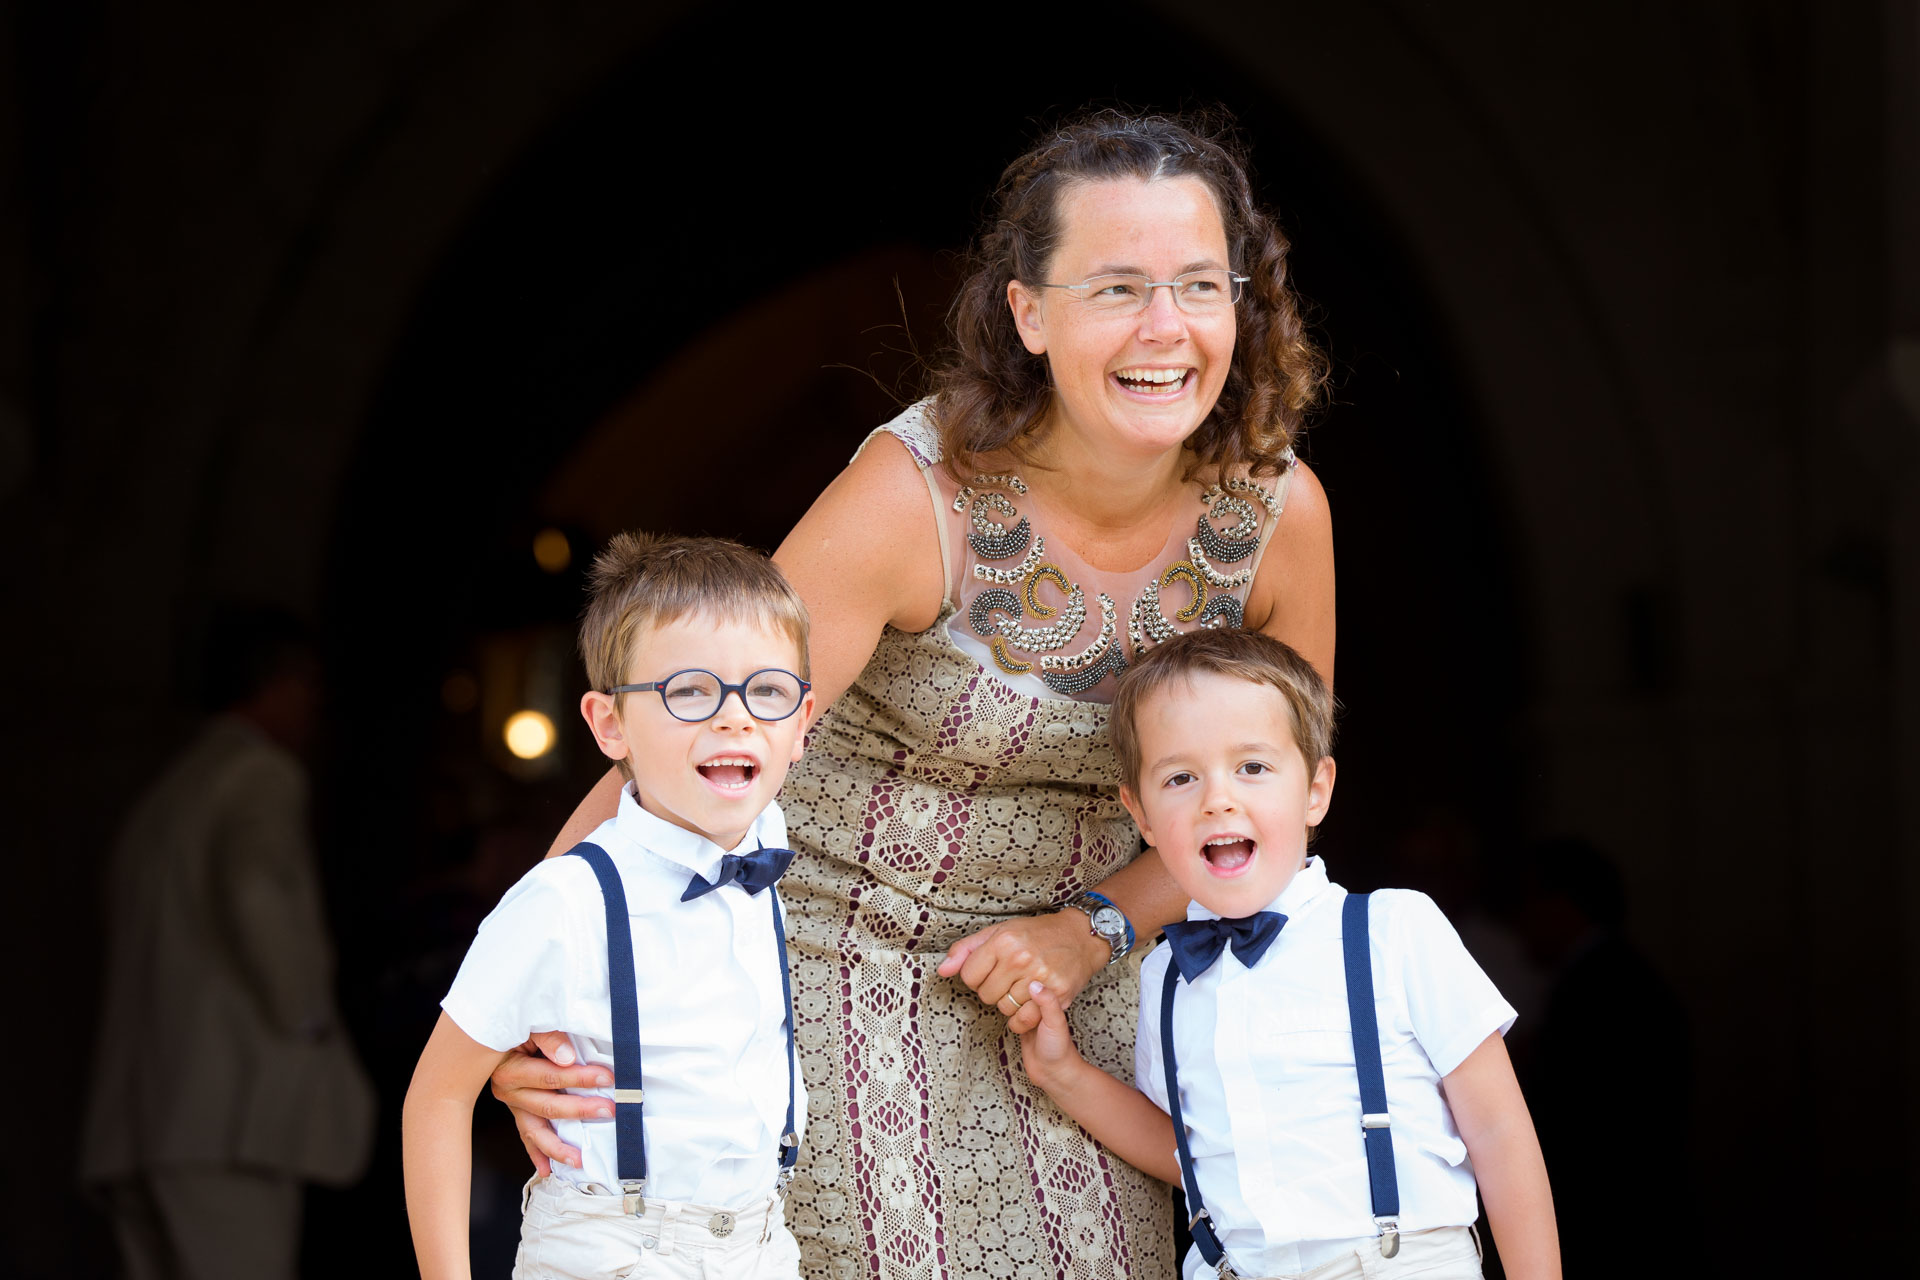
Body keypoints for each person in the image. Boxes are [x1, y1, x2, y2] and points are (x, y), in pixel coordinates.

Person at [493, 110, 1338, 1279]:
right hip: (838, 970)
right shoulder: (915, 497)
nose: (1165, 328)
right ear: (1027, 313)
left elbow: (1269, 816)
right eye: (1117, 288)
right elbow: (677, 756)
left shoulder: (1279, 517)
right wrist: (512, 1005)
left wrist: (1092, 930)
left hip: (1076, 995)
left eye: (1200, 284)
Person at [1020, 628, 1560, 1280]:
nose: (1218, 797)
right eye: (1182, 777)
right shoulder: (1164, 975)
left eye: (1252, 767)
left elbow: (1500, 1135)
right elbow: (1196, 1152)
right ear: (1141, 817)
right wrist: (1066, 1075)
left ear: (1316, 790)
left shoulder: (1394, 931)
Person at [403, 535, 816, 1280]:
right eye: (690, 690)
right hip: (614, 1249)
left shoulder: (769, 850)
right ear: (608, 724)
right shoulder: (565, 901)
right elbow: (436, 1095)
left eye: (768, 691)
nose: (735, 717)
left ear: (803, 723)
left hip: (760, 1246)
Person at [81, 604, 374, 1280]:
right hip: (229, 1117)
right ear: (282, 682)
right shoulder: (258, 776)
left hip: (141, 1115)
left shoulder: (165, 797)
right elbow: (256, 893)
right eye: (310, 686)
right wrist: (304, 1018)